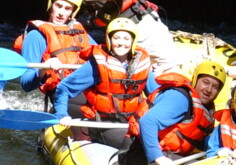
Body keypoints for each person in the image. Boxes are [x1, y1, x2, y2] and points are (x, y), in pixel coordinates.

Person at [52, 18, 157, 146]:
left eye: (126, 39)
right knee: (136, 144)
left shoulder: (141, 64)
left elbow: (158, 95)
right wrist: (62, 114)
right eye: (116, 38)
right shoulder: (98, 64)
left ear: (133, 41)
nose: (121, 43)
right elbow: (64, 88)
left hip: (133, 119)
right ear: (109, 40)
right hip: (103, 123)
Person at [118, 60, 227, 165]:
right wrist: (158, 157)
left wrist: (218, 148)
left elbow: (196, 138)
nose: (208, 90)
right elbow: (147, 121)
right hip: (137, 153)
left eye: (215, 86)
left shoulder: (206, 108)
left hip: (170, 153)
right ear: (195, 80)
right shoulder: (180, 99)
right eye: (205, 82)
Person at [14, 0, 94, 116]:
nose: (61, 13)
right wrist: (44, 68)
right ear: (51, 5)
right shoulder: (36, 36)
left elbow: (104, 57)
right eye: (58, 6)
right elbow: (26, 84)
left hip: (89, 89)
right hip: (64, 94)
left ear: (73, 12)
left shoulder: (80, 34)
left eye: (67, 8)